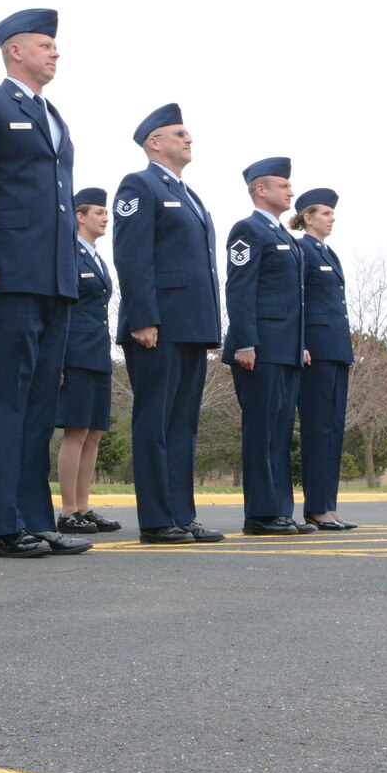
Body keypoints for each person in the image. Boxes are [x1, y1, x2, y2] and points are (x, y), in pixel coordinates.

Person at [0, 9, 91, 560]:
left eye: (56, 45)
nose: (55, 53)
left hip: (53, 280)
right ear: (15, 51)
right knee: (6, 401)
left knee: (36, 408)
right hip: (5, 276)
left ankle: (35, 518)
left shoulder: (54, 117)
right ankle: (5, 524)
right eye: (45, 44)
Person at [112, 104, 225, 545]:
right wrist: (143, 317)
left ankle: (182, 513)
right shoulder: (139, 185)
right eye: (181, 133)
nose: (189, 138)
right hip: (157, 324)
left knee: (183, 425)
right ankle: (158, 519)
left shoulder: (191, 194)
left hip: (191, 325)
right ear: (154, 142)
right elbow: (132, 254)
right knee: (154, 422)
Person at [224, 157, 313, 535]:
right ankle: (260, 514)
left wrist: (301, 345)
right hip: (259, 349)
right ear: (262, 190)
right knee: (261, 432)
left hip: (286, 349)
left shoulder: (286, 238)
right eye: (284, 185)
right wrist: (245, 341)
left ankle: (280, 510)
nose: (291, 191)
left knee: (279, 433)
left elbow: (296, 300)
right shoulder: (247, 230)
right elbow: (239, 288)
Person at [55, 188, 121, 535]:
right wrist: (60, 361)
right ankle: (67, 511)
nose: (104, 217)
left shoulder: (96, 257)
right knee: (76, 430)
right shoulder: (68, 252)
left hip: (97, 352)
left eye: (105, 212)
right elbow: (62, 309)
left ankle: (83, 506)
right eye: (98, 211)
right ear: (79, 216)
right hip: (75, 353)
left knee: (94, 432)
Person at [292, 187, 357, 531]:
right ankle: (316, 507)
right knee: (317, 428)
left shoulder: (327, 252)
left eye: (332, 213)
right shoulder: (301, 249)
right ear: (307, 216)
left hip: (334, 349)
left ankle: (329, 505)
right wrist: (300, 343)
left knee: (332, 429)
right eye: (326, 213)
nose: (332, 219)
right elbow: (297, 302)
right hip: (314, 349)